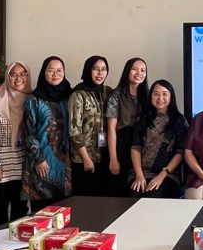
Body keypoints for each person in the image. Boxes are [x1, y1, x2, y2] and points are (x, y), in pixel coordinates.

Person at [0, 61, 31, 227]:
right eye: (13, 74)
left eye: (23, 74)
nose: (18, 78)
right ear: (7, 77)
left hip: (23, 166)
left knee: (20, 211)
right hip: (0, 167)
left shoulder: (32, 102)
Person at [21, 56, 73, 211]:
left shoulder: (70, 96)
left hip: (67, 165)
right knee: (42, 214)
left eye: (59, 70)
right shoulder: (34, 99)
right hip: (43, 163)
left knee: (65, 214)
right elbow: (28, 132)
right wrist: (38, 159)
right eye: (51, 70)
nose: (55, 74)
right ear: (44, 72)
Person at [129, 80, 188, 199]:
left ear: (171, 97)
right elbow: (136, 147)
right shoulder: (143, 118)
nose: (160, 97)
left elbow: (180, 152)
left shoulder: (179, 120)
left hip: (167, 175)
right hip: (140, 172)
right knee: (133, 196)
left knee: (152, 197)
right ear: (151, 96)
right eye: (156, 94)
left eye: (165, 94)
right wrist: (139, 175)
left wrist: (162, 175)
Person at [68, 56, 112, 196]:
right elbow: (74, 130)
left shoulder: (107, 92)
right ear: (88, 70)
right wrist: (86, 158)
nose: (100, 73)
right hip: (83, 158)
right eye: (95, 69)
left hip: (104, 156)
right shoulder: (78, 95)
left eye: (103, 69)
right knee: (85, 200)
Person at [105, 58, 149, 197]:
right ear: (127, 72)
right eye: (135, 69)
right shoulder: (116, 95)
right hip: (121, 144)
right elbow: (111, 129)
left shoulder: (147, 96)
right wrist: (113, 158)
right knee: (120, 189)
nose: (139, 73)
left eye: (143, 70)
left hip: (142, 145)